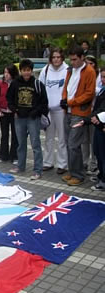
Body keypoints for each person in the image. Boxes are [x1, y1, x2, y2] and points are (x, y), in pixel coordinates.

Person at [7, 59, 48, 180]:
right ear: (20, 71)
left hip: (33, 118)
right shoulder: (15, 83)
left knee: (35, 144)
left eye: (28, 70)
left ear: (31, 70)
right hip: (19, 118)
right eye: (24, 70)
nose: (26, 73)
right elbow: (9, 99)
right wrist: (15, 110)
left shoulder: (37, 84)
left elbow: (44, 102)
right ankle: (20, 165)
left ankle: (38, 170)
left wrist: (36, 112)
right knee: (21, 144)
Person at [61, 46, 97, 186]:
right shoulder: (71, 70)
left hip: (79, 112)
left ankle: (78, 174)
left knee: (74, 144)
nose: (72, 62)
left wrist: (70, 102)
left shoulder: (89, 71)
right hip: (68, 111)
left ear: (82, 57)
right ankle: (73, 171)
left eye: (75, 59)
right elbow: (66, 87)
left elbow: (89, 94)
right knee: (70, 144)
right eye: (71, 60)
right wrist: (64, 99)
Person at [72, 68, 105, 191]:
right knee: (98, 153)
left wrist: (87, 119)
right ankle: (101, 175)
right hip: (98, 125)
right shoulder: (102, 90)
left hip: (102, 126)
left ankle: (103, 181)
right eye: (101, 77)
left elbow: (101, 110)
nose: (103, 80)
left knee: (103, 155)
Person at [39, 47, 69, 175]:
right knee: (48, 138)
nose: (56, 59)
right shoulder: (45, 70)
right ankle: (48, 162)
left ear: (62, 58)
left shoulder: (67, 70)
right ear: (50, 59)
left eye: (58, 57)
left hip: (61, 110)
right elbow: (40, 89)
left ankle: (62, 164)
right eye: (54, 57)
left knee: (62, 138)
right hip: (48, 110)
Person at [0, 64, 19, 164]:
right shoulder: (1, 83)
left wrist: (17, 111)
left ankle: (14, 156)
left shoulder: (16, 83)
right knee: (4, 134)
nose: (6, 75)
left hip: (13, 113)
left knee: (15, 134)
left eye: (8, 73)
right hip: (3, 112)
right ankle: (3, 155)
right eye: (5, 72)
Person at [83, 55, 101, 175]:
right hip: (85, 112)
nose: (89, 66)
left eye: (91, 63)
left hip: (97, 113)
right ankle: (84, 162)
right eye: (87, 63)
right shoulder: (83, 75)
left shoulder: (100, 77)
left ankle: (94, 164)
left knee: (94, 141)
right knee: (85, 140)